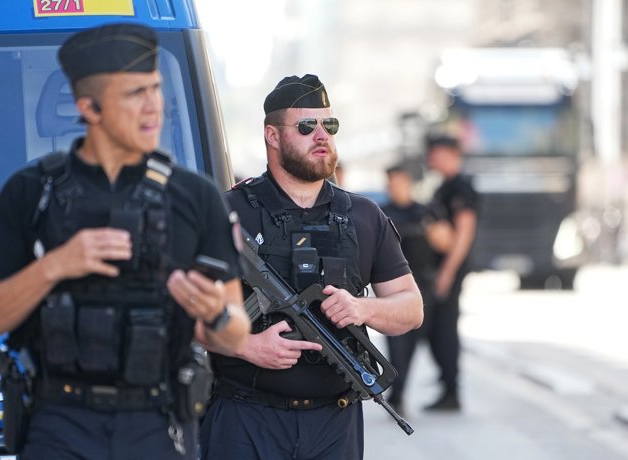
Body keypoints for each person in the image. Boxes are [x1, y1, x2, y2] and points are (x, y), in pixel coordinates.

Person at [0, 23, 250, 460]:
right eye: (135, 93)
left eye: (156, 89)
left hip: (157, 424)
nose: (154, 107)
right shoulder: (31, 193)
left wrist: (214, 315)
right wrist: (55, 266)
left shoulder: (196, 196)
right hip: (57, 423)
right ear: (89, 107)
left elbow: (234, 337)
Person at [199, 74, 424, 459]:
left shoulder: (364, 216)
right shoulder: (227, 212)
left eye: (329, 125)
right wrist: (245, 345)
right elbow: (178, 312)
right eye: (306, 126)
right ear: (272, 136)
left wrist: (363, 308)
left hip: (334, 425)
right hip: (244, 419)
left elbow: (411, 308)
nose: (321, 135)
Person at [380, 163, 448, 414]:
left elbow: (445, 242)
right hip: (391, 288)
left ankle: (399, 391)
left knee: (412, 345)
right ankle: (397, 394)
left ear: (408, 183)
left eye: (397, 182)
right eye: (390, 183)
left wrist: (428, 227)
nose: (393, 188)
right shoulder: (382, 213)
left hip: (423, 287)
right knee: (396, 344)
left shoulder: (426, 211)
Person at [421, 134, 478, 411]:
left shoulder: (461, 187)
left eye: (435, 152)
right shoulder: (443, 186)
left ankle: (451, 391)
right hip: (438, 269)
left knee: (445, 330)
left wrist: (447, 272)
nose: (431, 158)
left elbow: (464, 234)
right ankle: (447, 386)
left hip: (449, 270)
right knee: (434, 331)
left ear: (449, 153)